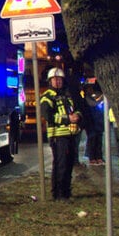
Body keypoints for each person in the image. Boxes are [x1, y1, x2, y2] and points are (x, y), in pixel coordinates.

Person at [40, 67, 82, 199]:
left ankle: (66, 192)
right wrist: (67, 119)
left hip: (70, 135)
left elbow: (77, 109)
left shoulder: (67, 95)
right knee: (60, 165)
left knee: (69, 164)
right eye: (55, 79)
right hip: (58, 136)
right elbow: (48, 116)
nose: (58, 82)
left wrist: (77, 116)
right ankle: (58, 194)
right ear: (50, 81)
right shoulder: (47, 97)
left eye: (60, 79)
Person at [82, 82, 105, 165]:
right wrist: (102, 99)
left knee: (99, 141)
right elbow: (94, 104)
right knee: (92, 140)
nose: (90, 90)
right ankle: (92, 158)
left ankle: (99, 157)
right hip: (91, 123)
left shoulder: (95, 96)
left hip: (98, 123)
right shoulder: (86, 99)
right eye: (88, 89)